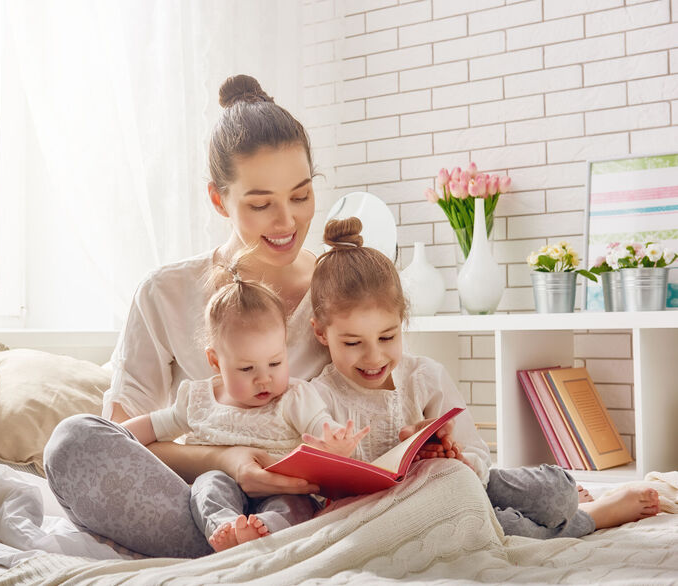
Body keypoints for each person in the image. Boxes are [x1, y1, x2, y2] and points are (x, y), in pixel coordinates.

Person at [43, 74, 331, 558]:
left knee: (452, 477)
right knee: (74, 445)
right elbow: (122, 442)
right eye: (261, 204)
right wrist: (229, 460)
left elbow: (389, 407)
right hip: (203, 498)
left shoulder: (342, 287)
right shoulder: (166, 293)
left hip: (321, 503)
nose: (287, 223)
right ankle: (252, 547)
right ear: (219, 199)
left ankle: (262, 547)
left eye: (301, 196)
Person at [306, 216, 661, 539]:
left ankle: (574, 504)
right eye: (353, 343)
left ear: (402, 322)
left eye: (387, 337)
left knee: (557, 493)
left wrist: (453, 457)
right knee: (496, 528)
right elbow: (322, 500)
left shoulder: (425, 376)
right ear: (321, 333)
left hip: (464, 483)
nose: (374, 357)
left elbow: (478, 456)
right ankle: (594, 517)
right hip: (414, 513)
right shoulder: (318, 398)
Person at [122, 256, 368, 552]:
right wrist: (116, 436)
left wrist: (337, 443)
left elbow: (322, 428)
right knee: (208, 486)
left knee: (294, 506)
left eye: (275, 362)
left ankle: (268, 534)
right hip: (224, 485)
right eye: (247, 369)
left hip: (282, 489)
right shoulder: (199, 400)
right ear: (215, 361)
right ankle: (225, 530)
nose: (264, 379)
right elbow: (152, 425)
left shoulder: (295, 397)